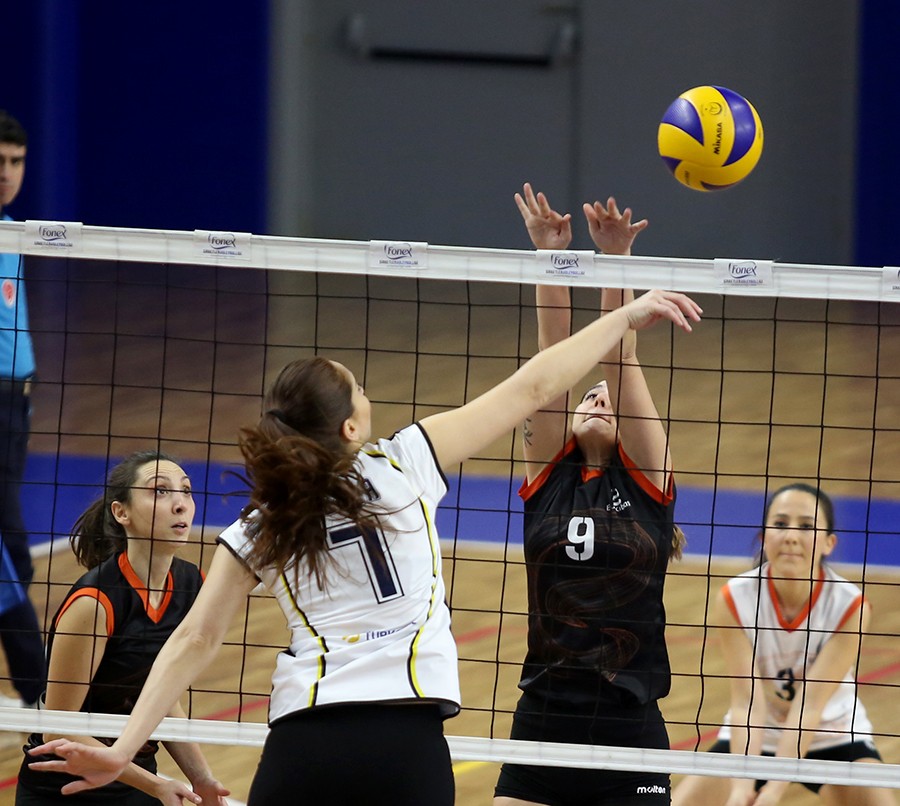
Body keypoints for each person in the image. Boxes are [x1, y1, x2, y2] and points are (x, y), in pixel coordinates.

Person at [27, 283, 702, 803]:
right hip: (405, 747)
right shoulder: (407, 463)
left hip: (303, 745)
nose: (366, 392)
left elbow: (193, 642)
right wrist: (625, 315)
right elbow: (535, 385)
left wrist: (122, 750)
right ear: (350, 428)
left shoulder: (264, 522)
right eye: (358, 389)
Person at [494, 183, 682, 805]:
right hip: (544, 717)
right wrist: (551, 257)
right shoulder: (550, 478)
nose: (598, 398)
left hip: (629, 724)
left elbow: (618, 359)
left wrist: (616, 262)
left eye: (606, 398)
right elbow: (552, 362)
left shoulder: (648, 483)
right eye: (587, 396)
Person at [16, 450, 229, 805]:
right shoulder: (95, 602)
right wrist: (156, 785)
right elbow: (58, 728)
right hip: (63, 786)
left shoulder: (191, 585)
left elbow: (160, 695)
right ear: (121, 512)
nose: (180, 504)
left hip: (135, 774)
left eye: (186, 490)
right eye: (160, 491)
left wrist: (201, 777)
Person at [671, 483, 896, 806]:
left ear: (829, 543)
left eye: (806, 526)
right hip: (757, 732)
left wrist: (773, 791)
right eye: (780, 524)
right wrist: (741, 786)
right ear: (764, 537)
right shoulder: (736, 597)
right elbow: (747, 703)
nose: (791, 535)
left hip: (832, 733)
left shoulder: (850, 606)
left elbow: (809, 705)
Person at [0, 109, 46, 710]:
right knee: (11, 548)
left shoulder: (12, 230)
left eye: (16, 162)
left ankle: (37, 691)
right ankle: (38, 691)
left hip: (16, 404)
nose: (7, 173)